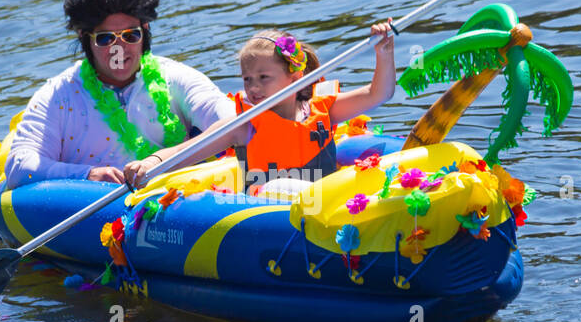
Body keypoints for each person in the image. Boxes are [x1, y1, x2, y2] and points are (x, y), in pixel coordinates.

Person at [3, 0, 234, 189]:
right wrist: (87, 175)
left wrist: (158, 161)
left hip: (175, 205)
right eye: (105, 39)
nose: (119, 50)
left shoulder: (176, 78)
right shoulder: (58, 95)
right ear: (85, 39)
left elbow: (235, 124)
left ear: (145, 30)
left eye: (130, 35)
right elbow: (19, 166)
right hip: (90, 208)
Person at [124, 20, 395, 194]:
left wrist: (384, 53)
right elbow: (191, 149)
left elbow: (378, 94)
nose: (253, 88)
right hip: (271, 213)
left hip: (330, 206)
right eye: (247, 79)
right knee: (278, 187)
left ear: (295, 76)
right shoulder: (244, 124)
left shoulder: (324, 109)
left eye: (264, 78)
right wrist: (152, 162)